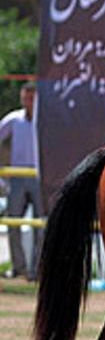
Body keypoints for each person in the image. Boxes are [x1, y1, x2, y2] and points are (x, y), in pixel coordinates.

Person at [0, 82, 43, 280]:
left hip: (39, 177)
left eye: (32, 98)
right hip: (17, 177)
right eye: (26, 98)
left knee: (40, 225)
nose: (29, 102)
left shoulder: (44, 120)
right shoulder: (13, 119)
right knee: (13, 222)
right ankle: (19, 267)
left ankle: (37, 269)